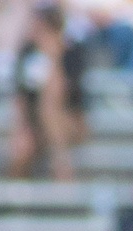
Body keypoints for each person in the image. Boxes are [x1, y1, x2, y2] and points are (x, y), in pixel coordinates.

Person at [6, 3, 82, 182]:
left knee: (49, 109)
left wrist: (53, 58)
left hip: (69, 119)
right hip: (34, 124)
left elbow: (62, 96)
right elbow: (21, 96)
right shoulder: (26, 53)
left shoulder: (71, 54)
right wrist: (22, 127)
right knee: (21, 149)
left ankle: (61, 163)